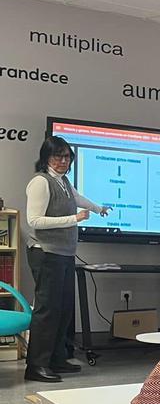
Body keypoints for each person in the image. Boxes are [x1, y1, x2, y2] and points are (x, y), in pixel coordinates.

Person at [23, 136, 110, 382]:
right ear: (46, 158)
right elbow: (35, 221)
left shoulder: (62, 181)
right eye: (57, 156)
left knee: (62, 309)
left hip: (63, 253)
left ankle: (56, 359)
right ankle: (36, 366)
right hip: (45, 252)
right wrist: (75, 219)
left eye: (67, 156)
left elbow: (77, 198)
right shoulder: (40, 182)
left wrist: (98, 208)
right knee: (47, 310)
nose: (63, 161)